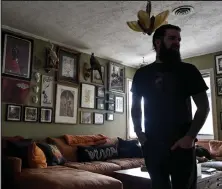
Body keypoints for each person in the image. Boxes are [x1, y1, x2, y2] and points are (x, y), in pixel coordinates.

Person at [131, 24, 210, 189]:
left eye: (179, 39)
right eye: (172, 38)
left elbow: (203, 106)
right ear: (158, 42)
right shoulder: (142, 74)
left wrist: (190, 137)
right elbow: (135, 106)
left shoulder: (189, 70)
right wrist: (140, 134)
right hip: (153, 146)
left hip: (182, 145)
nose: (177, 42)